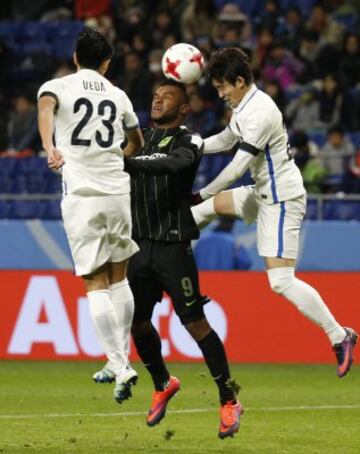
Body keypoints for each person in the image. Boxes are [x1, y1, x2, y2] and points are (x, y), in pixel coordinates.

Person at [191, 47, 358, 378]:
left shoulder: (261, 112)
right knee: (204, 211)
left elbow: (237, 165)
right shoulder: (244, 106)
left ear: (240, 81)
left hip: (281, 198)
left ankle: (340, 335)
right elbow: (226, 138)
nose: (221, 94)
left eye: (224, 87)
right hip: (263, 191)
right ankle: (157, 252)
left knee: (280, 281)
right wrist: (197, 144)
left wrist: (201, 191)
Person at [124, 79, 243, 439]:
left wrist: (130, 163)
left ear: (184, 108)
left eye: (168, 97)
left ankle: (228, 399)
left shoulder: (189, 140)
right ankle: (163, 381)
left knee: (195, 324)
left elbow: (174, 166)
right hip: (138, 248)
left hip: (174, 248)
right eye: (156, 95)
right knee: (138, 324)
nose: (158, 100)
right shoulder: (136, 140)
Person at [37, 28, 144, 403]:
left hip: (82, 196)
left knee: (94, 282)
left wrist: (51, 148)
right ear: (107, 63)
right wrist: (119, 155)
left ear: (75, 57)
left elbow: (45, 108)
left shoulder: (59, 86)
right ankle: (121, 358)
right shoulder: (119, 95)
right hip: (118, 193)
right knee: (119, 278)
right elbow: (137, 141)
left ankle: (118, 363)